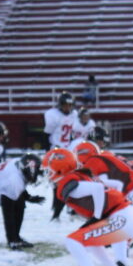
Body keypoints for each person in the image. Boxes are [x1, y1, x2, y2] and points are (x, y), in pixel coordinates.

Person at [42, 148, 133, 266]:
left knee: (72, 240)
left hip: (123, 216)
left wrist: (97, 216)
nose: (47, 174)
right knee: (89, 239)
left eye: (48, 170)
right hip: (127, 213)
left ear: (60, 168)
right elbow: (112, 187)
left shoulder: (71, 181)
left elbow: (97, 189)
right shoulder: (80, 176)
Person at [74, 141, 133, 266]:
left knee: (120, 220)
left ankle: (121, 262)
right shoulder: (107, 157)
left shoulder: (94, 161)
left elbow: (105, 184)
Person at [44, 91, 76, 220]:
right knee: (57, 182)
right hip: (56, 151)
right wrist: (48, 153)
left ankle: (68, 206)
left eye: (69, 105)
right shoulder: (52, 115)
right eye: (65, 105)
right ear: (60, 105)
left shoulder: (74, 114)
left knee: (71, 180)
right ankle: (56, 209)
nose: (67, 108)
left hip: (69, 151)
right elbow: (46, 135)